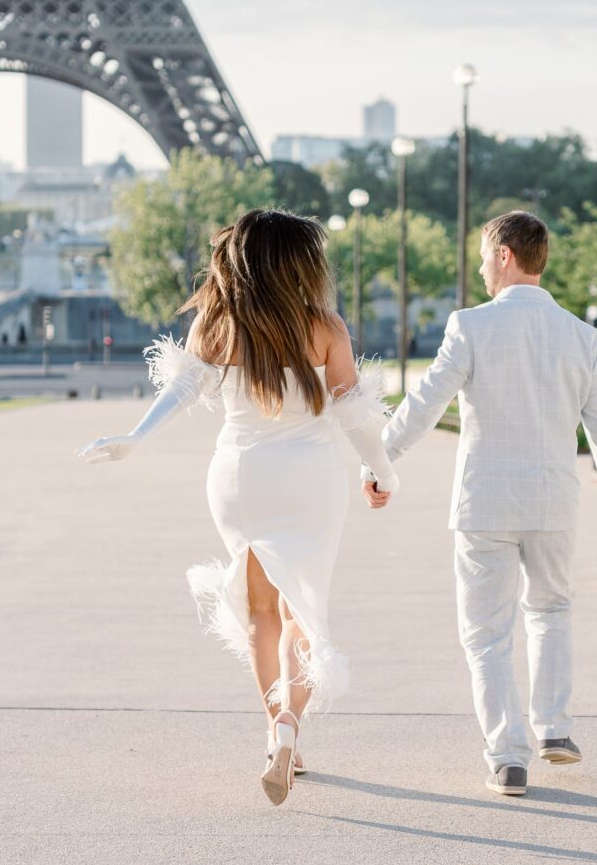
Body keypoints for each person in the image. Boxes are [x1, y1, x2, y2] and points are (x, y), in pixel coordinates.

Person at [78, 209, 398, 805]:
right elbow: (355, 413)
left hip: (238, 476)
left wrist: (135, 438)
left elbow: (181, 388)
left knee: (259, 611)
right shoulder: (324, 326)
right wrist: (382, 470)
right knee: (302, 609)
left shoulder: (216, 323)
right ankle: (289, 726)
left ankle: (275, 730)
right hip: (309, 478)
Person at [363, 211, 597, 798]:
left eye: (484, 257)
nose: (480, 269)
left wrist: (379, 464)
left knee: (487, 635)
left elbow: (425, 403)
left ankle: (508, 758)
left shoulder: (470, 326)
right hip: (553, 503)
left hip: (485, 504)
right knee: (551, 611)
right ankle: (554, 728)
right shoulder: (583, 337)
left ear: (505, 255)